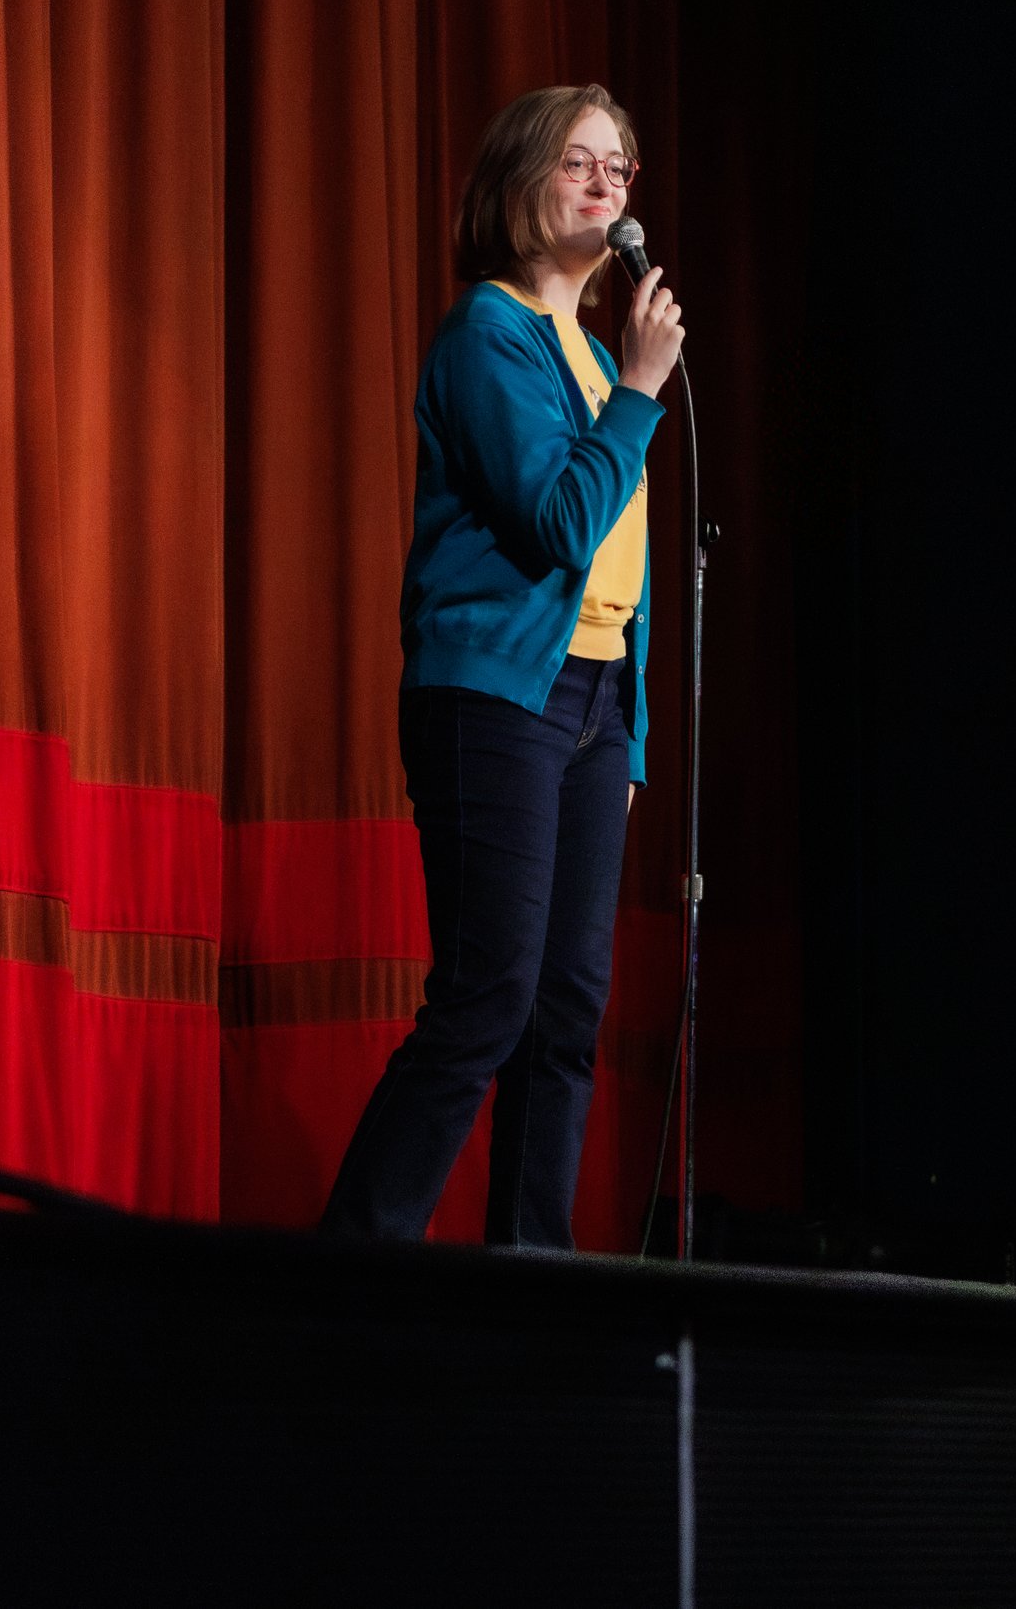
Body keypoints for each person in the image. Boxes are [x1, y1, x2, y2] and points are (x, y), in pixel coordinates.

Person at [321, 84, 684, 1248]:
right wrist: (635, 395)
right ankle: (354, 1262)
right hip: (494, 697)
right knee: (488, 996)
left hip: (585, 706)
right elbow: (560, 523)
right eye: (580, 163)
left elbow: (621, 582)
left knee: (567, 1012)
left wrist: (625, 738)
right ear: (524, 183)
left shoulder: (589, 351)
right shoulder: (492, 334)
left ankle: (532, 1282)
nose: (605, 185)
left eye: (620, 169)